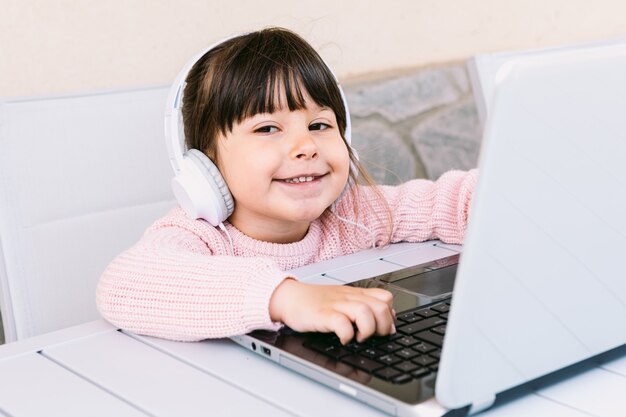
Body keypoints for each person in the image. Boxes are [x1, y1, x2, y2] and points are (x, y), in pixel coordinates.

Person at [96, 27, 476, 345]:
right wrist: (284, 297)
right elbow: (125, 284)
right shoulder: (201, 236)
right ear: (205, 164)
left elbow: (453, 201)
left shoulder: (355, 215)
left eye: (319, 125)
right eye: (267, 128)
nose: (306, 146)